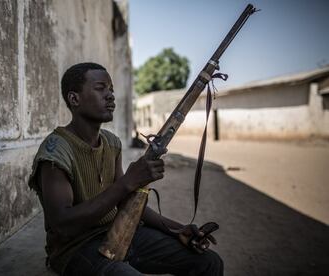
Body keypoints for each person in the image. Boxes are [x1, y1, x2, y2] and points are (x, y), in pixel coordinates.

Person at [28, 62, 223, 276]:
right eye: (100, 88)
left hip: (122, 231)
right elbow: (63, 225)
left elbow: (125, 203)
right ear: (75, 99)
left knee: (209, 262)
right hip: (76, 248)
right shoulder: (55, 151)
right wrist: (128, 182)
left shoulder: (111, 143)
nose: (110, 95)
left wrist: (177, 229)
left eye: (111, 89)